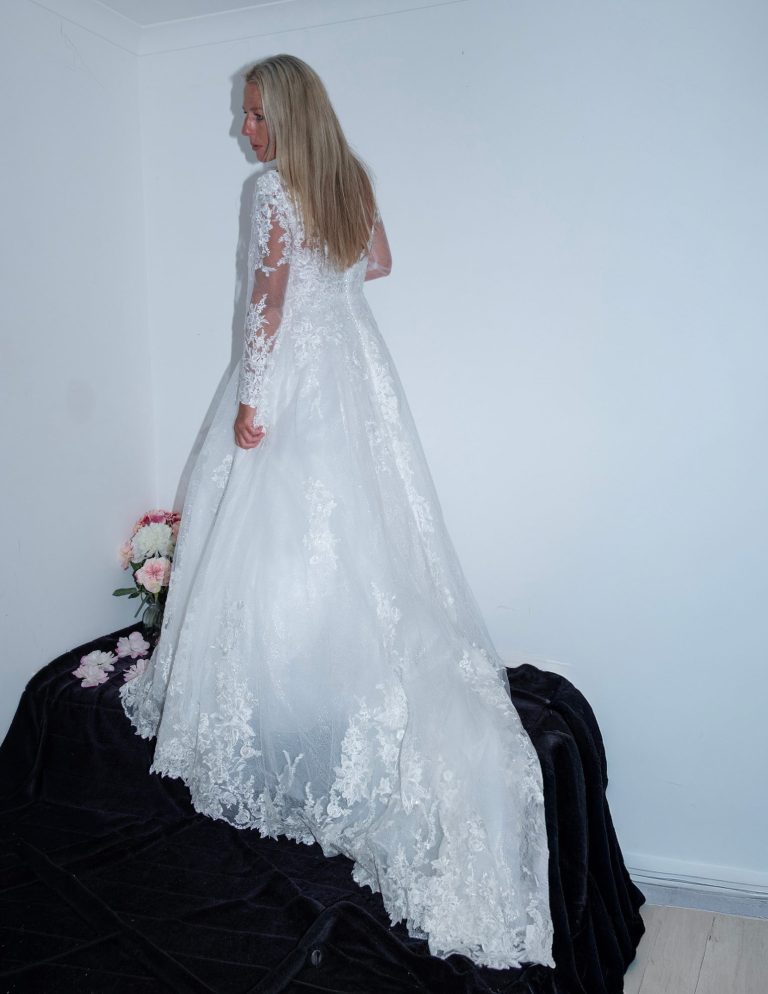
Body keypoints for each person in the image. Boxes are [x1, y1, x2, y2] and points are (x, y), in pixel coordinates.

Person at [120, 54, 555, 971]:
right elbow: (383, 262)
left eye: (255, 119)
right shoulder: (349, 178)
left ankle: (285, 708)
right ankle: (326, 692)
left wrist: (252, 400)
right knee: (356, 544)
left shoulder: (271, 191)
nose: (246, 133)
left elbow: (264, 310)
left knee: (280, 546)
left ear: (285, 116)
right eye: (246, 120)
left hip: (296, 385)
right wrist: (337, 295)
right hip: (356, 379)